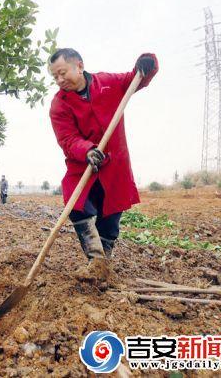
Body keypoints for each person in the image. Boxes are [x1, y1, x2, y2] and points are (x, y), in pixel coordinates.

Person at [49, 48, 158, 282]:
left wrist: (147, 65)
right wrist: (87, 150)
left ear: (79, 65)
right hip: (83, 165)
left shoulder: (107, 83)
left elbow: (135, 79)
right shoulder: (59, 104)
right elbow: (67, 139)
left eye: (62, 73)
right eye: (55, 77)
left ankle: (104, 264)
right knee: (77, 205)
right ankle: (96, 261)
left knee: (111, 215)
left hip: (114, 165)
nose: (59, 80)